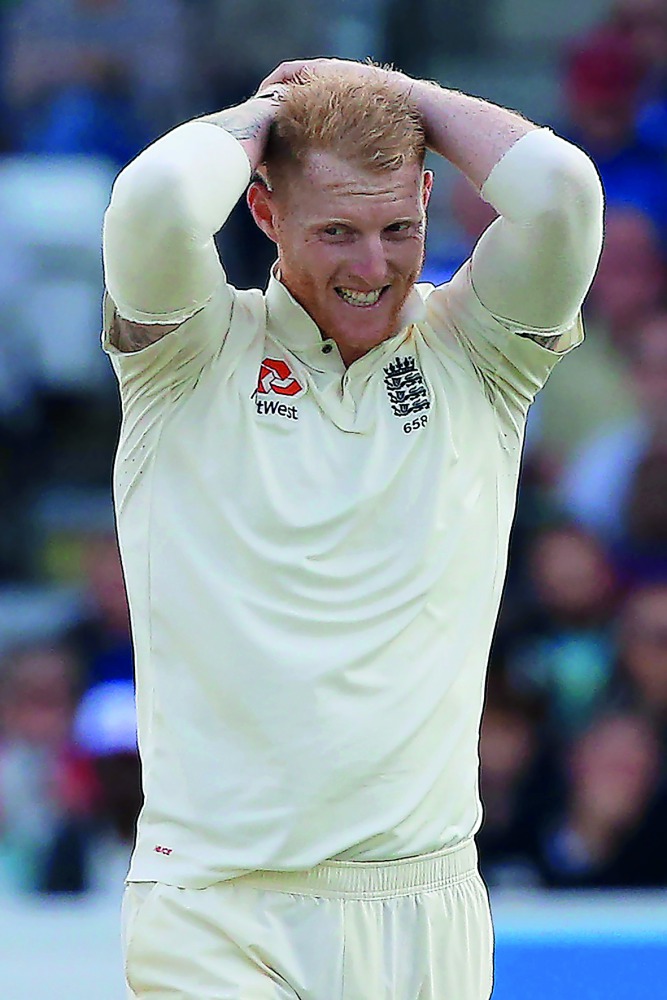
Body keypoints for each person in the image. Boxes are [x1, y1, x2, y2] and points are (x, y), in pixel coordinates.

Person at [101, 58, 603, 1000]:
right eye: (335, 230)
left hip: (428, 906)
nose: (372, 268)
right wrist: (275, 110)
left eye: (398, 228)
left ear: (426, 197)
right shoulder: (186, 355)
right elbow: (158, 196)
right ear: (263, 213)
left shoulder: (480, 356)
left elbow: (563, 193)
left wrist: (404, 96)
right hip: (216, 904)